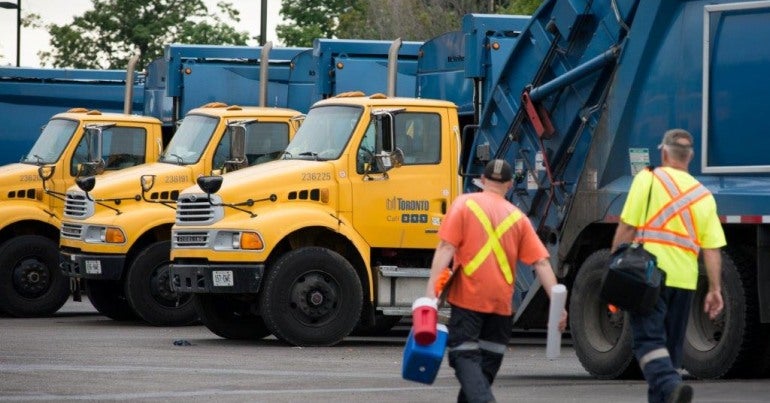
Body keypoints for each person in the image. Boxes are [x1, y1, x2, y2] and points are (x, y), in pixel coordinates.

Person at [425, 159, 568, 403]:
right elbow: (541, 263)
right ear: (510, 184)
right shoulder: (518, 218)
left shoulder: (464, 205)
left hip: (468, 299)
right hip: (501, 305)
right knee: (485, 367)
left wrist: (430, 296)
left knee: (464, 356)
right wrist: (558, 305)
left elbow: (446, 248)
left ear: (483, 179)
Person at [611, 129, 726, 403]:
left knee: (648, 344)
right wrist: (714, 289)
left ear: (664, 152)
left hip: (648, 277)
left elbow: (628, 226)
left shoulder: (648, 179)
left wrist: (613, 263)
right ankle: (669, 386)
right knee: (670, 352)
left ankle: (670, 383)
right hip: (685, 282)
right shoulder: (704, 195)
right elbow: (711, 249)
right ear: (691, 157)